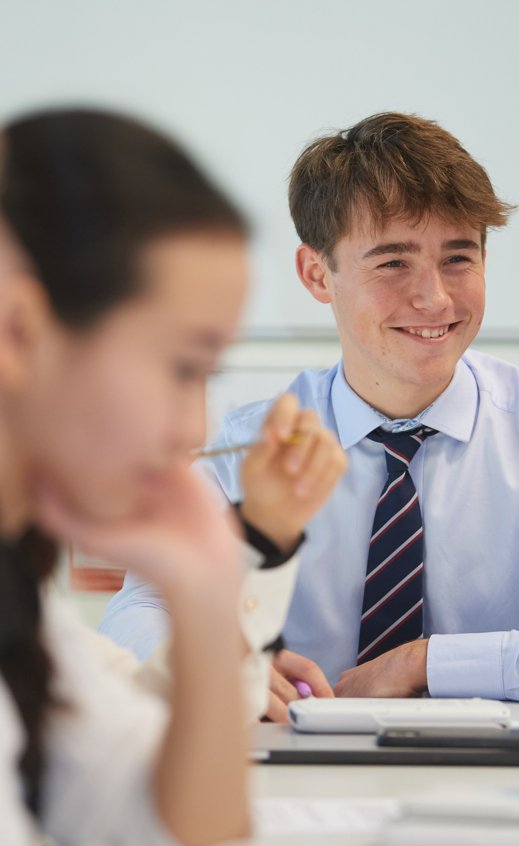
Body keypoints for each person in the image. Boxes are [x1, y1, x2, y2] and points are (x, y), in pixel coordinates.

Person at [101, 111, 519, 712]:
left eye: (459, 259)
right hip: (298, 784)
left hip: (495, 787)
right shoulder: (247, 446)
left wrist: (428, 663)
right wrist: (216, 661)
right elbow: (140, 612)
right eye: (393, 263)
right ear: (317, 274)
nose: (434, 297)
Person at [0, 108, 345, 844]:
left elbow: (174, 824)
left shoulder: (21, 603)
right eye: (183, 368)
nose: (192, 429)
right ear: (20, 331)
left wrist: (208, 590)